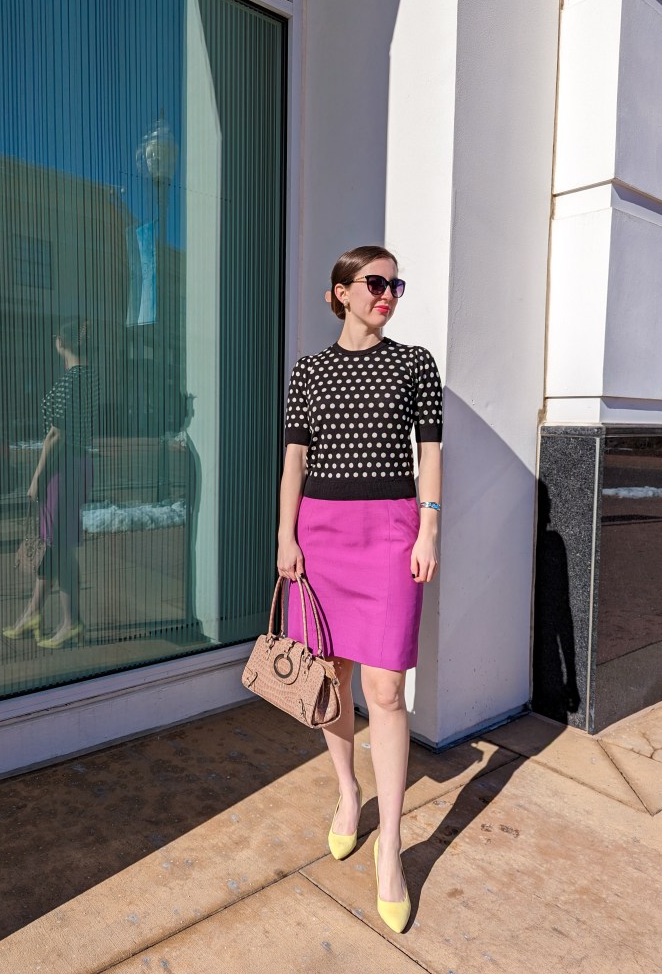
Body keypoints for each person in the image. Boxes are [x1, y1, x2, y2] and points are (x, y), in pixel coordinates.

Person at [278, 245, 443, 934]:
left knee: (384, 690)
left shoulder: (414, 364)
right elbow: (294, 458)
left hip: (389, 531)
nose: (388, 294)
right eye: (376, 283)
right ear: (339, 292)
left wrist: (427, 530)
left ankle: (392, 847)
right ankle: (348, 794)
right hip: (319, 534)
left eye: (395, 285)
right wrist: (284, 536)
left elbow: (429, 452)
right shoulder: (307, 372)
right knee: (330, 676)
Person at [3, 319, 99, 648]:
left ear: (62, 343)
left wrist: (36, 478)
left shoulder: (71, 381)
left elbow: (56, 435)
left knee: (59, 548)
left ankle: (70, 623)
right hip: (79, 465)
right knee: (55, 545)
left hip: (63, 468)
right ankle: (33, 614)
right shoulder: (89, 378)